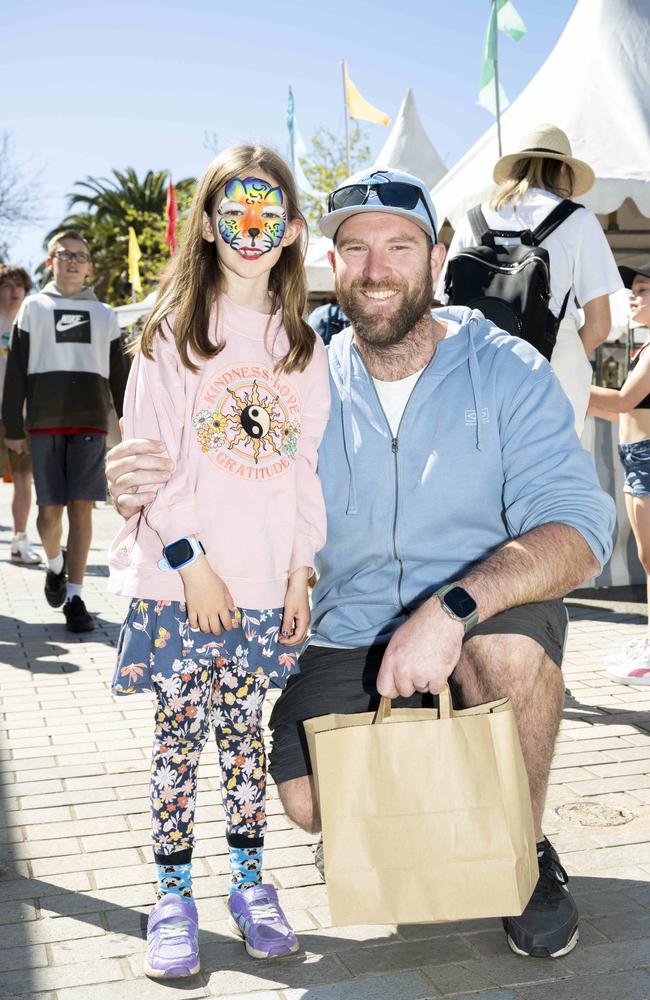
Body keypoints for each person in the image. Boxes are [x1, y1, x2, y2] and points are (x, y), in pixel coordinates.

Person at [106, 167, 615, 961]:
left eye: (401, 247)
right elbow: (207, 456)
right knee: (309, 801)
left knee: (510, 656)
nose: (377, 270)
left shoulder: (509, 368)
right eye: (356, 249)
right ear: (328, 260)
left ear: (439, 255)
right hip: (347, 629)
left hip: (480, 616)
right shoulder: (300, 367)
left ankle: (523, 849)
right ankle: (423, 766)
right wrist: (137, 484)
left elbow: (583, 529)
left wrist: (451, 611)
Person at [107, 145, 330, 978]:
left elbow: (305, 470)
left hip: (265, 587)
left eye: (266, 215)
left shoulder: (303, 347)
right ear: (206, 223)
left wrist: (302, 570)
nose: (249, 229)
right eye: (233, 212)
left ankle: (248, 884)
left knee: (244, 746)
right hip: (184, 586)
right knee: (178, 747)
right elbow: (147, 461)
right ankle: (172, 897)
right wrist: (193, 564)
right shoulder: (171, 334)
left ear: (293, 232)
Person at [438, 124, 622, 436]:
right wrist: (549, 349)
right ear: (563, 169)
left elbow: (445, 307)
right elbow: (599, 325)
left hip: (479, 363)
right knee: (550, 475)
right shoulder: (577, 220)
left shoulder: (472, 219)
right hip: (554, 360)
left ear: (515, 168)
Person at [2, 230, 128, 632]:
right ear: (50, 261)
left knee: (82, 508)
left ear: (89, 266)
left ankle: (75, 597)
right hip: (43, 421)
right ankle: (54, 565)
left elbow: (121, 381)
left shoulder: (107, 314)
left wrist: (130, 426)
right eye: (64, 254)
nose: (72, 260)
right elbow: (16, 372)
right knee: (48, 513)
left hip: (91, 421)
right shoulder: (33, 309)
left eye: (80, 255)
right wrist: (12, 426)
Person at [589, 263, 650, 684]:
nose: (633, 296)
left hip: (645, 458)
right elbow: (623, 411)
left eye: (643, 290)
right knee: (647, 559)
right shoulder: (645, 347)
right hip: (635, 456)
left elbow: (626, 400)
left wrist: (566, 382)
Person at [0, 265, 41, 564]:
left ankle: (19, 540)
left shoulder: (31, 328)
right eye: (7, 285)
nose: (14, 291)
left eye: (20, 285)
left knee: (24, 480)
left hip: (22, 418)